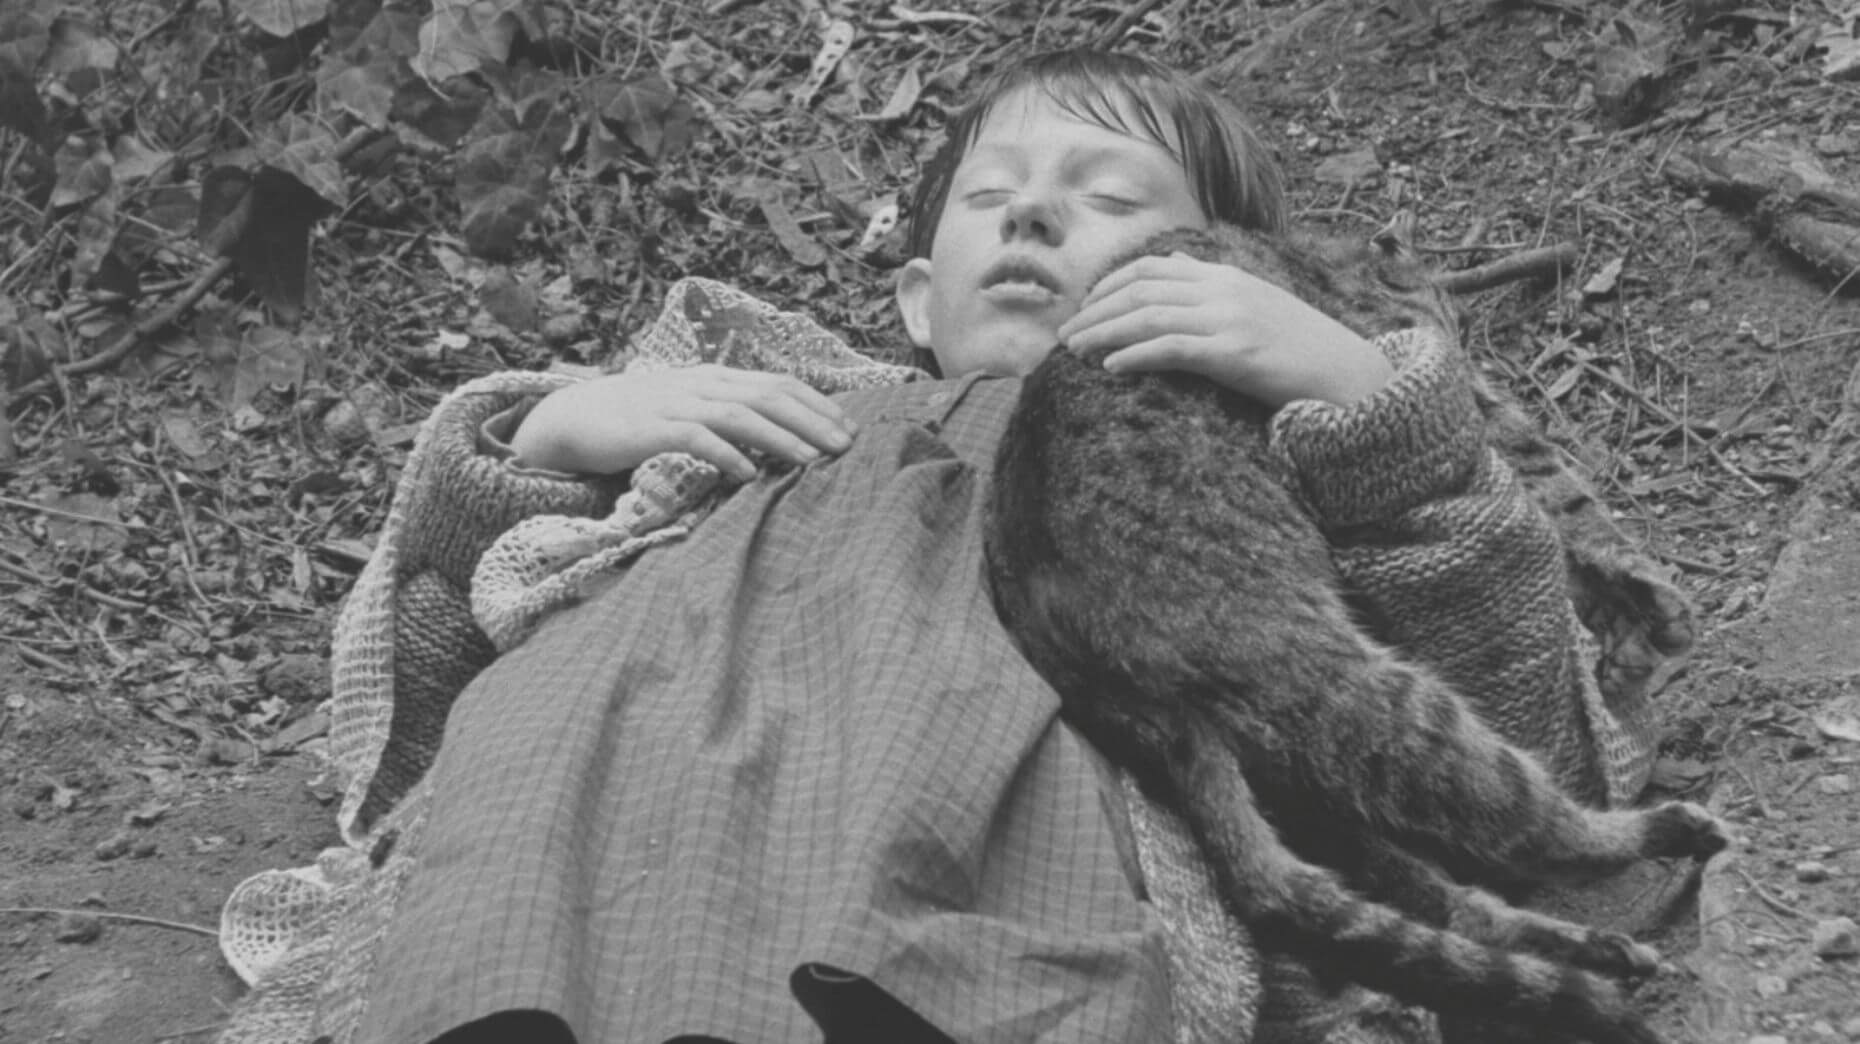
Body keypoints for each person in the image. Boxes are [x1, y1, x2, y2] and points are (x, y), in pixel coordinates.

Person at [216, 48, 1682, 1044]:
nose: (1037, 208)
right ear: (919, 297)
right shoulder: (761, 384)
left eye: (1113, 201)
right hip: (583, 813)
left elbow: (1498, 700)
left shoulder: (1250, 467)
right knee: (506, 901)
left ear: (1239, 278)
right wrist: (555, 434)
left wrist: (1351, 389)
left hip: (960, 850)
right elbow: (438, 642)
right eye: (994, 197)